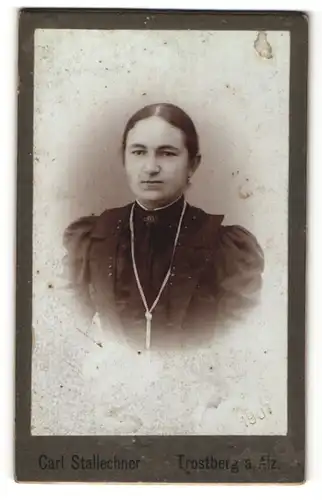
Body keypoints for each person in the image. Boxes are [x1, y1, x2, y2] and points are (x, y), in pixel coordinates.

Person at [63, 103, 264, 350]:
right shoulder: (90, 239)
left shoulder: (228, 249)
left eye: (167, 153)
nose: (150, 168)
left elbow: (241, 343)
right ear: (123, 159)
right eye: (138, 152)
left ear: (192, 164)